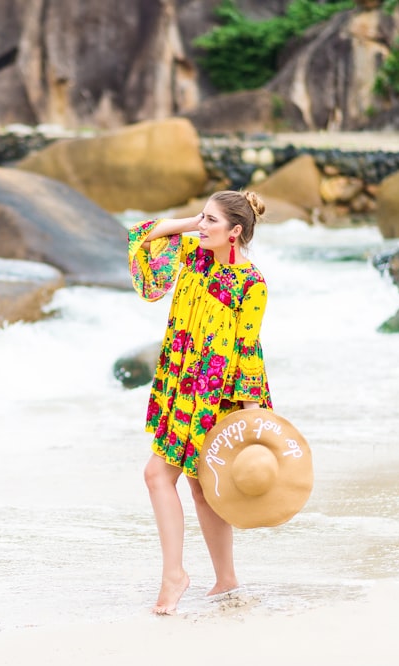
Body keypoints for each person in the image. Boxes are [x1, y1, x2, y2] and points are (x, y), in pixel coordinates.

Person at [127, 190, 273, 615]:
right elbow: (144, 238)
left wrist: (252, 423)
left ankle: (198, 577)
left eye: (212, 220)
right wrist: (194, 222)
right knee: (179, 482)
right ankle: (209, 579)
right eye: (202, 218)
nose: (201, 225)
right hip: (181, 387)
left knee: (185, 483)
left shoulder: (253, 284)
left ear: (236, 232)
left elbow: (248, 350)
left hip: (217, 397)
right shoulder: (194, 255)